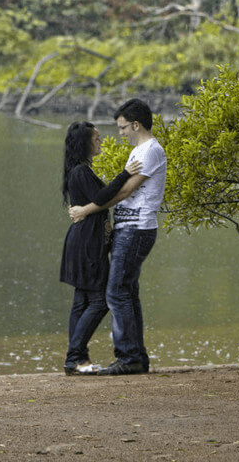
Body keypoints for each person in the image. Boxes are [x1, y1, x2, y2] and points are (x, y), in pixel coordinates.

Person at [69, 99, 167, 375]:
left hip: (136, 229)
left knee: (115, 292)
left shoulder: (149, 151)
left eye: (123, 127)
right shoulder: (139, 150)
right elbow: (120, 190)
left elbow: (123, 192)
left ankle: (129, 358)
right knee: (127, 292)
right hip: (128, 228)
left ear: (136, 125)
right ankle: (136, 356)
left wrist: (85, 211)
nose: (120, 132)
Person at [60, 121, 141, 376]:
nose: (101, 141)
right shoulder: (81, 172)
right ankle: (74, 356)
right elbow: (103, 197)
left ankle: (78, 358)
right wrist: (126, 173)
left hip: (82, 241)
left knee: (82, 301)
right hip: (87, 244)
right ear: (85, 142)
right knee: (100, 300)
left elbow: (96, 199)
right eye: (96, 138)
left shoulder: (78, 170)